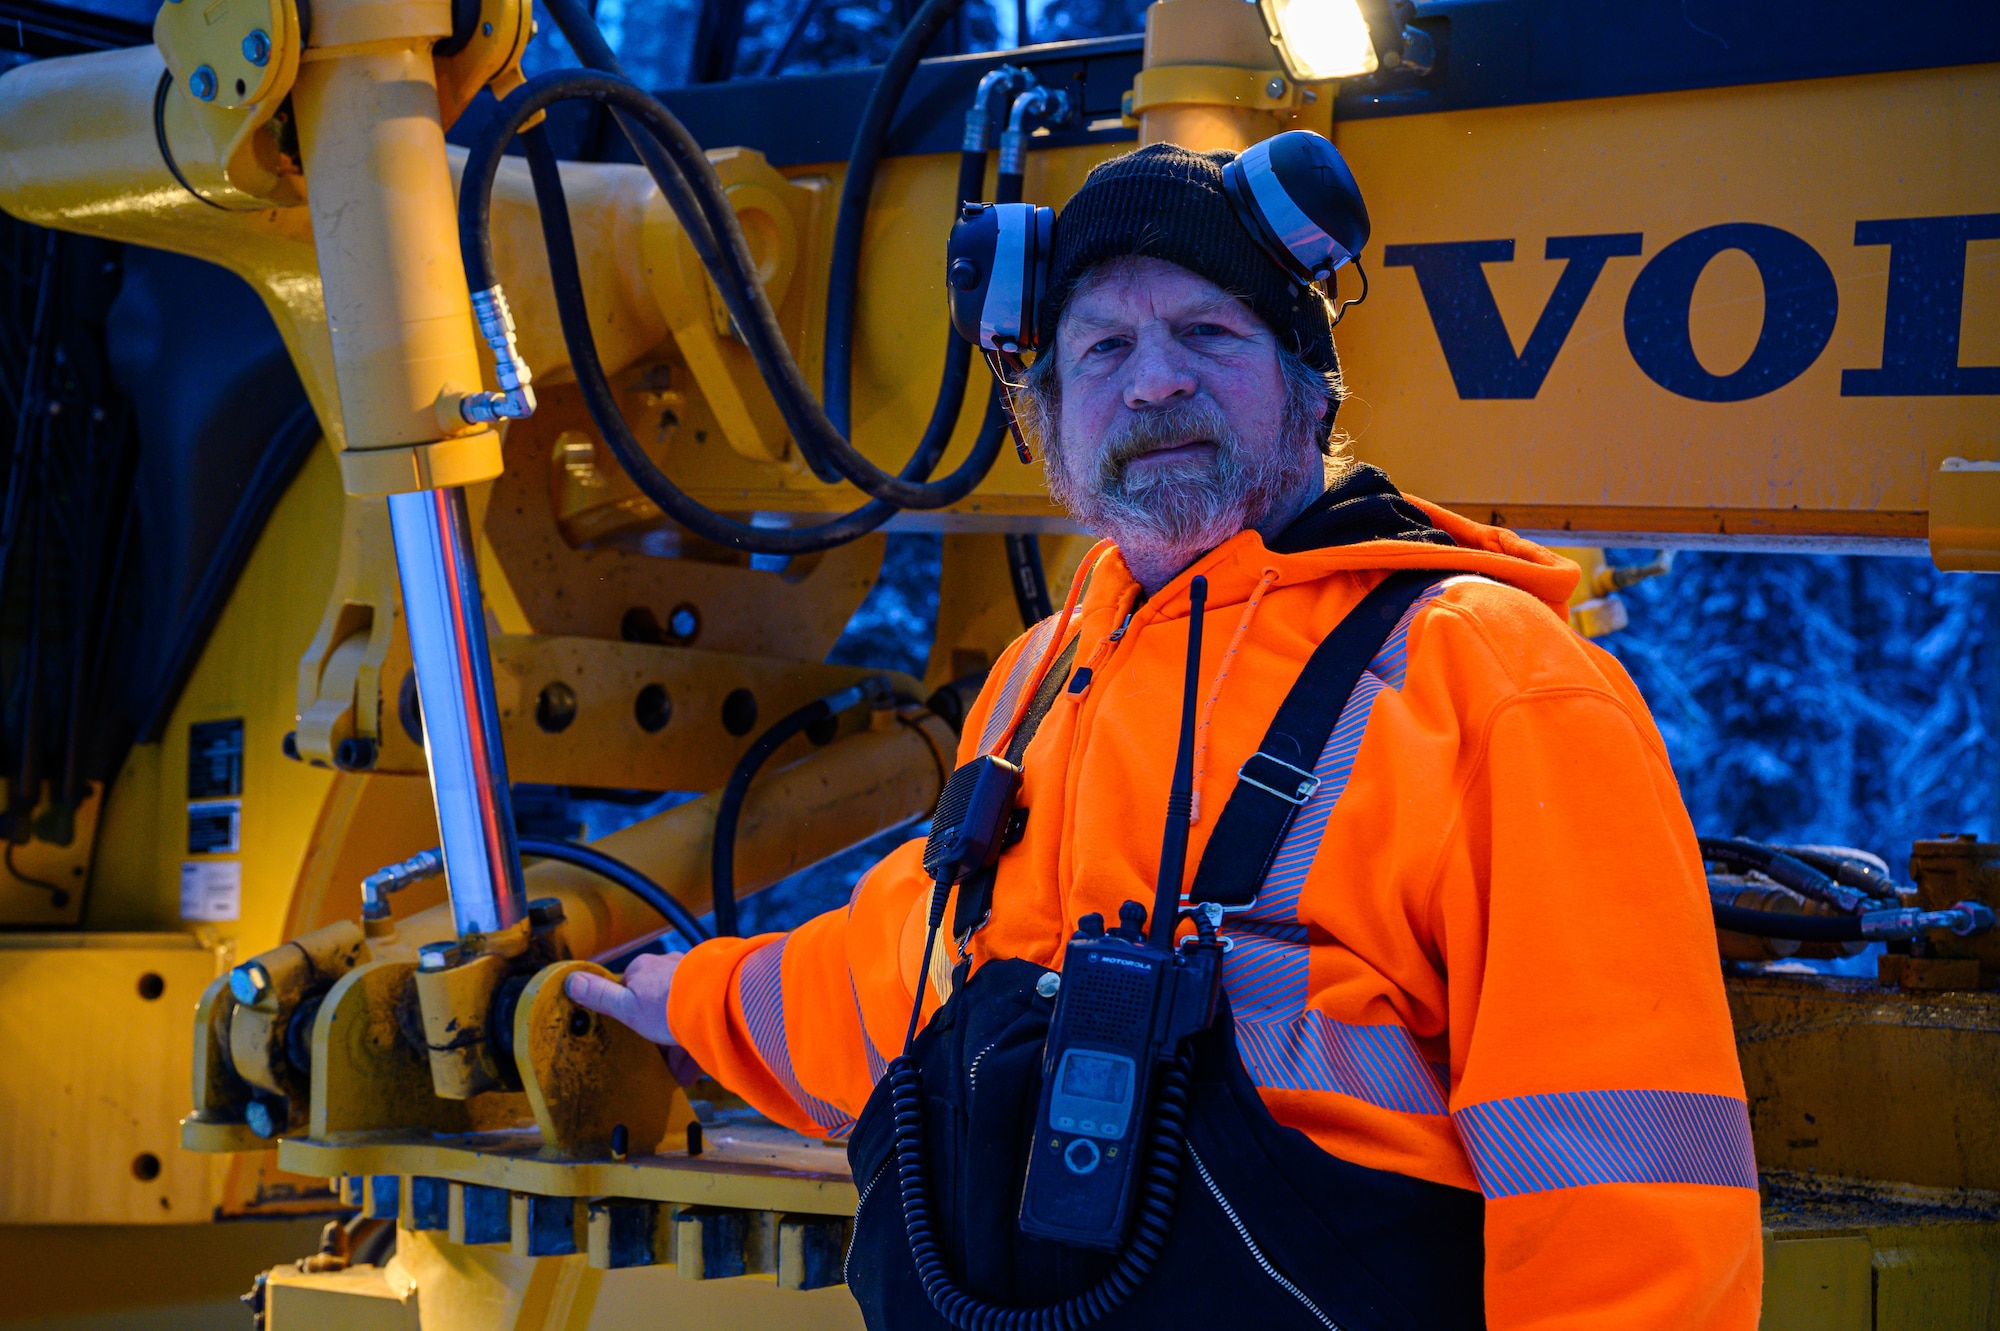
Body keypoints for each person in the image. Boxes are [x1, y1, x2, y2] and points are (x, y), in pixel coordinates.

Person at [567, 142, 1762, 1328]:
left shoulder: (1489, 677)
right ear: (1046, 420)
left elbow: (1623, 1173)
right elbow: (901, 979)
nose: (1152, 384)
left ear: (1309, 388)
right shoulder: (1046, 677)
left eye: (1208, 333)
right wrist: (679, 1003)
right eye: (1102, 348)